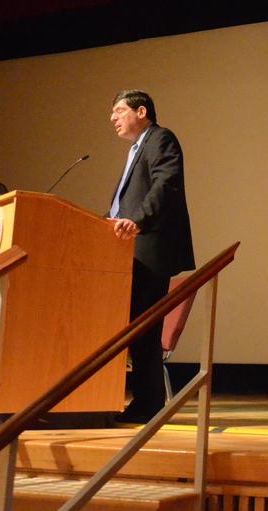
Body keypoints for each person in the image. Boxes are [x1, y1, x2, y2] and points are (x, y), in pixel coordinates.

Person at [107, 89, 196, 423]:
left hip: (148, 250)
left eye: (118, 111)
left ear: (141, 111)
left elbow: (165, 184)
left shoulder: (160, 139)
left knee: (143, 328)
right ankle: (141, 401)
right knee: (134, 328)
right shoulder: (136, 149)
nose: (113, 118)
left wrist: (138, 221)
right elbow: (124, 203)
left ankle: (149, 404)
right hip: (128, 251)